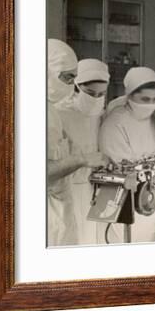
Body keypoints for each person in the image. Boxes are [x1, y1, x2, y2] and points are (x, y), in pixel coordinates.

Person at [47, 39, 106, 246]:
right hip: (63, 192)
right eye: (67, 78)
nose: (95, 98)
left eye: (101, 94)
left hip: (89, 189)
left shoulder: (51, 110)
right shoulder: (59, 111)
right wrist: (82, 159)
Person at [99, 67, 155, 243]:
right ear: (129, 95)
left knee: (150, 239)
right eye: (144, 99)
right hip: (123, 198)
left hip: (148, 196)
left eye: (154, 99)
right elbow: (120, 165)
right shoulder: (115, 123)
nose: (150, 104)